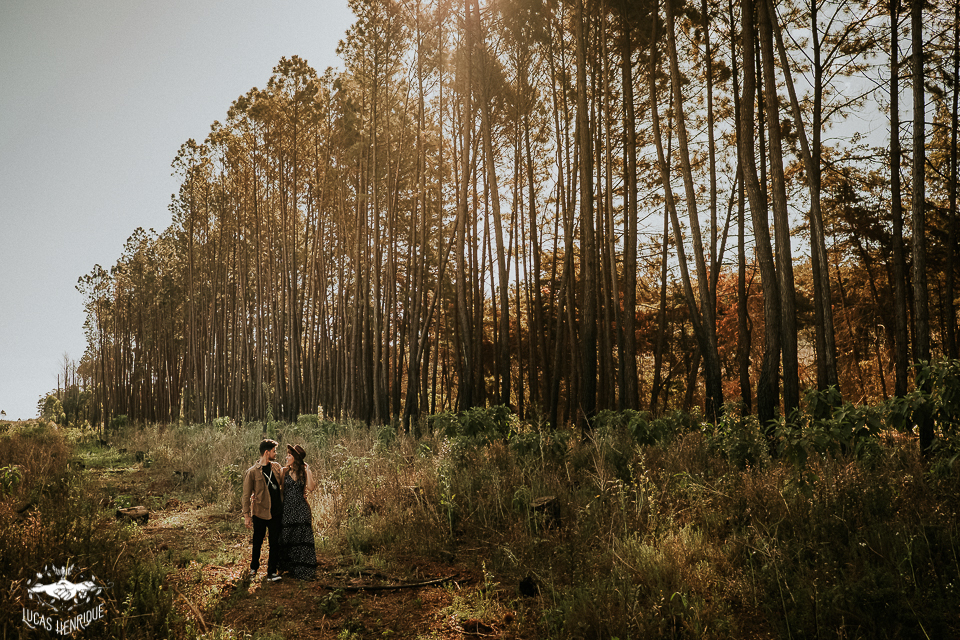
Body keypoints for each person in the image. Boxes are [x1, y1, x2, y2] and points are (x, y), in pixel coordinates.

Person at [242, 439, 284, 582]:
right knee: (257, 542)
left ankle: (271, 572)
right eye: (274, 451)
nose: (275, 453)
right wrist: (247, 516)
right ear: (267, 452)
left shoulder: (277, 467)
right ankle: (253, 569)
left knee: (274, 543)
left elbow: (285, 481)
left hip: (276, 512)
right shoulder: (252, 472)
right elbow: (246, 495)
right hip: (260, 513)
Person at [278, 443, 317, 580]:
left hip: (301, 509)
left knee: (302, 537)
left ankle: (302, 568)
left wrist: (308, 471)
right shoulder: (284, 471)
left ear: (295, 457)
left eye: (289, 455)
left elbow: (311, 488)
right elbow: (279, 489)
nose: (287, 457)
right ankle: (285, 567)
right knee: (286, 536)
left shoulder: (304, 472)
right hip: (287, 509)